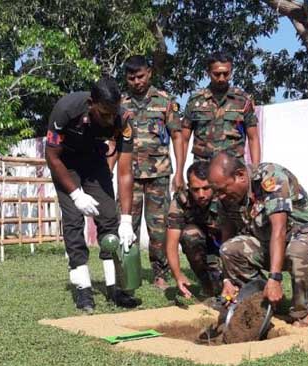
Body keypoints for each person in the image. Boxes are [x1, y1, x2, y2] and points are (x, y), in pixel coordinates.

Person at [208, 152, 308, 327]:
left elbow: (279, 228)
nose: (220, 196)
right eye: (216, 191)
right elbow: (227, 236)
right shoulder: (227, 197)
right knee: (230, 250)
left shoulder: (270, 177)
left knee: (299, 250)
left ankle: (302, 312)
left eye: (223, 189)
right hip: (272, 244)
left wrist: (275, 277)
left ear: (240, 175)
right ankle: (263, 302)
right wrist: (227, 280)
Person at [45, 77, 138, 313]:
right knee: (74, 222)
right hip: (66, 164)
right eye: (104, 113)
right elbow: (52, 158)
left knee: (109, 218)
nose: (109, 119)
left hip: (95, 161)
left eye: (112, 113)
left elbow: (125, 172)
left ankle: (113, 287)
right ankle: (83, 288)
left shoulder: (123, 120)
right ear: (91, 104)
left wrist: (126, 220)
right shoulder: (66, 110)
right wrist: (76, 195)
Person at [121, 55, 185, 290]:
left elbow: (177, 136)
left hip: (159, 174)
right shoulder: (121, 103)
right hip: (130, 176)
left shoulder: (165, 101)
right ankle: (129, 273)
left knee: (159, 228)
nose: (136, 82)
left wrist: (179, 172)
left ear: (149, 73)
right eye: (131, 78)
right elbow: (112, 140)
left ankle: (160, 273)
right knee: (129, 226)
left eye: (140, 76)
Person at [181, 52, 261, 166]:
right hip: (203, 169)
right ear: (208, 73)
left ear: (231, 72)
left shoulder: (242, 100)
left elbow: (253, 138)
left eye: (226, 73)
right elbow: (184, 140)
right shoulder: (195, 101)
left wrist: (255, 169)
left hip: (233, 168)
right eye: (217, 74)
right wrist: (179, 172)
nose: (221, 78)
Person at [165, 162, 223, 299]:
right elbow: (171, 244)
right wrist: (178, 275)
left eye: (206, 188)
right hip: (201, 244)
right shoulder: (181, 201)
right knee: (189, 235)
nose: (201, 194)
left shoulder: (224, 196)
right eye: (195, 189)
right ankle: (207, 285)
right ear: (188, 187)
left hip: (224, 244)